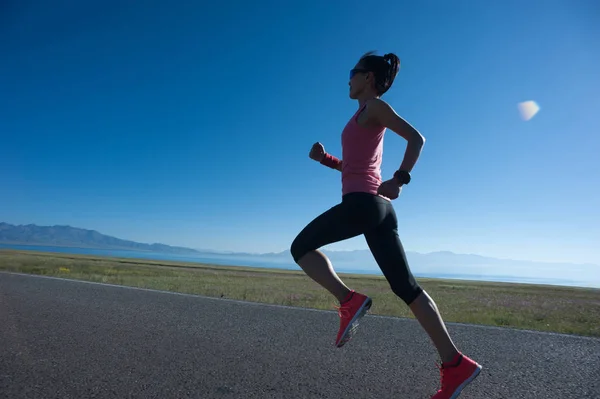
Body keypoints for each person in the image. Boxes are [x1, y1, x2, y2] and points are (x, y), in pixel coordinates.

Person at [290, 51, 482, 398]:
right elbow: (354, 166)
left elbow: (416, 138)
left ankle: (348, 300)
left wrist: (400, 178)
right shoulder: (360, 116)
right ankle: (455, 364)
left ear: (368, 78)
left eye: (353, 72)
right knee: (407, 289)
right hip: (377, 208)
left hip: (365, 204)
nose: (348, 79)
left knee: (299, 247)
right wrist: (326, 160)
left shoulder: (374, 107)